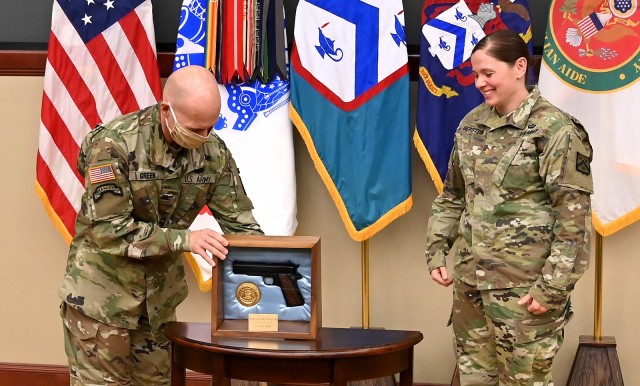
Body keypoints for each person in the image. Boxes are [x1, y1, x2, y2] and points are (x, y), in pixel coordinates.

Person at [58, 65, 263, 385]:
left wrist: (277, 273)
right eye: (196, 129)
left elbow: (241, 223)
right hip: (102, 302)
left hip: (157, 306)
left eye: (212, 126)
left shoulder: (213, 152)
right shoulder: (115, 144)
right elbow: (110, 231)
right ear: (167, 110)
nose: (205, 137)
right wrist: (186, 240)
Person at [424, 30, 593, 385]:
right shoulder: (471, 125)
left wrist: (552, 289)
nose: (480, 83)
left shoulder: (555, 129)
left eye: (489, 73)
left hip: (524, 291)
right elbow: (453, 195)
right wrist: (437, 250)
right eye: (475, 75)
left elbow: (573, 222)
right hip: (471, 287)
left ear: (519, 67)